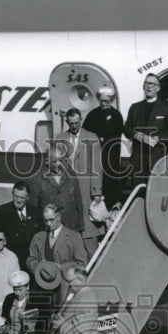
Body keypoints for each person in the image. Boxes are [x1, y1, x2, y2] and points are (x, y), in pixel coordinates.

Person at [55, 107, 104, 257]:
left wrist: (96, 191)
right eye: (71, 124)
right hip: (68, 190)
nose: (74, 127)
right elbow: (56, 164)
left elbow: (96, 166)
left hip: (85, 190)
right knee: (70, 229)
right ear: (67, 122)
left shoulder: (92, 137)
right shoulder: (60, 138)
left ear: (81, 120)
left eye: (77, 123)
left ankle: (93, 264)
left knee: (89, 232)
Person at [123, 73, 168, 185]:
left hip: (158, 159)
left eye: (152, 84)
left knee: (156, 192)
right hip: (139, 159)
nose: (148, 86)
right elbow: (126, 128)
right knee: (138, 191)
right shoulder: (135, 107)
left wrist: (159, 138)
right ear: (143, 86)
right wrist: (135, 135)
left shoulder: (167, 107)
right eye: (146, 83)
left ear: (158, 88)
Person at [82, 84, 125, 209]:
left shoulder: (116, 115)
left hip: (111, 157)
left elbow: (116, 136)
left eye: (106, 101)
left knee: (110, 183)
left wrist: (102, 139)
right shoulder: (93, 114)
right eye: (101, 101)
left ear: (111, 100)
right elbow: (85, 133)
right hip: (95, 155)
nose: (103, 104)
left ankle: (112, 207)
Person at [25, 203, 88, 286]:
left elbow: (82, 263)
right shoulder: (38, 237)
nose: (48, 224)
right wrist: (39, 267)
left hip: (64, 285)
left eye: (51, 220)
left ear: (59, 217)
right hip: (42, 285)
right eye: (46, 220)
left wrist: (61, 268)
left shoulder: (74, 237)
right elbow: (30, 260)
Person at [28, 147, 85, 235]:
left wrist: (81, 226)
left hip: (71, 226)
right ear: (47, 161)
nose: (59, 164)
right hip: (49, 228)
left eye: (61, 160)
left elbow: (79, 202)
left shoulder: (71, 175)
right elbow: (33, 207)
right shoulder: (37, 178)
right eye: (55, 161)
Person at [0, 181, 44, 270]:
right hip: (10, 262)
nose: (18, 200)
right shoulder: (2, 211)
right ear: (12, 194)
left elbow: (42, 237)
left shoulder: (36, 212)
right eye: (16, 196)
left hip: (32, 264)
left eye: (22, 197)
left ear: (28, 197)